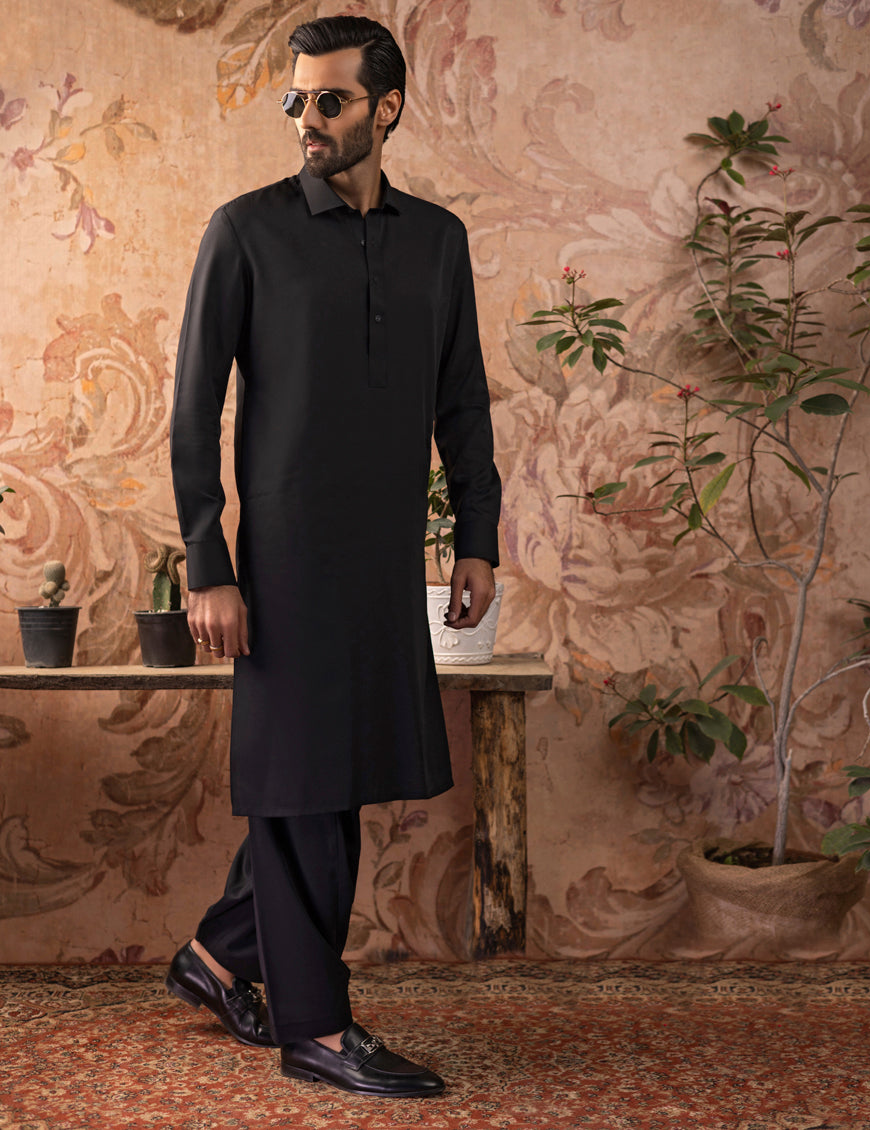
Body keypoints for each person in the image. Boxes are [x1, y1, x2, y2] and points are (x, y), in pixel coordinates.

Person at [165, 13, 501, 1099]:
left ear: (386, 108)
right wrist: (208, 562)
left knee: (332, 775)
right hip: (280, 563)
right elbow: (192, 412)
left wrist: (479, 539)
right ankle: (316, 1028)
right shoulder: (244, 231)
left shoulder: (437, 240)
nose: (306, 119)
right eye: (296, 100)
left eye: (330, 100)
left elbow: (462, 401)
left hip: (384, 558)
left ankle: (218, 955)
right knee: (302, 783)